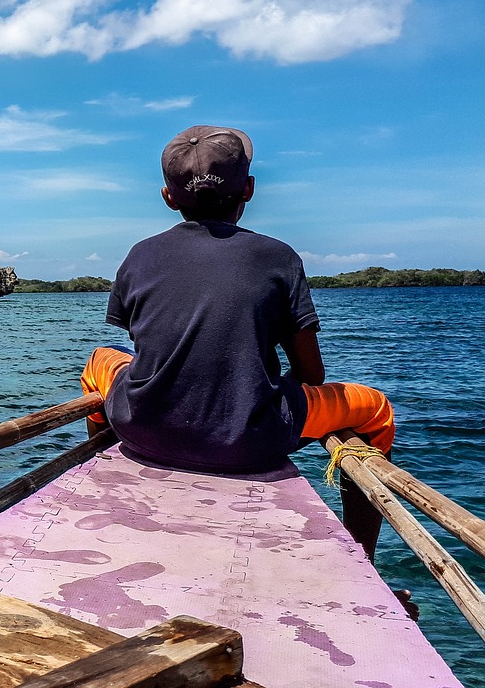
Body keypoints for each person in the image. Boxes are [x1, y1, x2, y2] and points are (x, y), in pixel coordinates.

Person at [80, 125, 396, 561]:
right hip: (249, 443)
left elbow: (143, 343)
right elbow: (311, 374)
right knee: (376, 409)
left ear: (168, 197)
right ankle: (363, 551)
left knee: (100, 359)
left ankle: (106, 451)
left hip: (144, 430)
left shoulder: (140, 254)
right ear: (248, 189)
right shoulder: (278, 257)